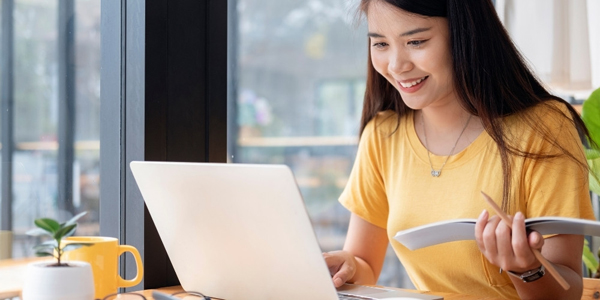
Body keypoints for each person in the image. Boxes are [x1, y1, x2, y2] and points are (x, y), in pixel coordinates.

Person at [323, 0, 595, 299]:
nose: (397, 64)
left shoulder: (544, 127)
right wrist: (347, 266)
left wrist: (527, 269)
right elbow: (364, 265)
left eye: (416, 41)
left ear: (466, 33)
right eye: (381, 44)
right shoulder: (384, 134)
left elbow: (566, 292)